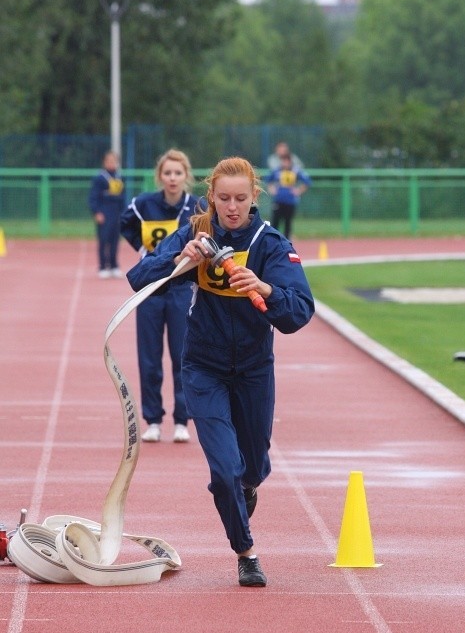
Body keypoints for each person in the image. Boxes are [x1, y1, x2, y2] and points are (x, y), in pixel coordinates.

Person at [126, 157, 315, 587]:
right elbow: (139, 277)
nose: (232, 207)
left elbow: (300, 310)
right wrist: (180, 258)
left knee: (251, 467)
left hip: (253, 370)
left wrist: (264, 287)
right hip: (203, 367)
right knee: (225, 469)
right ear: (211, 196)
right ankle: (246, 552)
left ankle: (247, 488)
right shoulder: (197, 232)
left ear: (254, 198)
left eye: (241, 199)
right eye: (224, 198)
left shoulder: (270, 243)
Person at [120, 149, 199, 444]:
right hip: (152, 289)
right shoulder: (143, 204)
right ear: (160, 176)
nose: (173, 178)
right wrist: (143, 251)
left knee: (182, 355)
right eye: (167, 173)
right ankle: (152, 419)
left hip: (181, 288)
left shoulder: (196, 207)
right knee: (149, 357)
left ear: (186, 175)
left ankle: (182, 419)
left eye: (178, 173)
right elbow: (125, 223)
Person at [88, 150, 126, 278]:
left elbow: (122, 197)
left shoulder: (119, 177)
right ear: (104, 162)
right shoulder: (100, 178)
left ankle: (114, 265)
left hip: (117, 212)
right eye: (109, 161)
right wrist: (97, 212)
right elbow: (93, 197)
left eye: (114, 161)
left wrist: (123, 213)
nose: (112, 163)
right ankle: (103, 266)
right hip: (104, 212)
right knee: (104, 240)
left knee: (115, 240)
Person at [266, 150, 312, 241]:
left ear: (290, 161)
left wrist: (298, 190)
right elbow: (268, 180)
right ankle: (273, 242)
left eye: (287, 161)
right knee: (275, 223)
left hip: (290, 201)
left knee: (288, 224)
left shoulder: (296, 171)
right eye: (283, 160)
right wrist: (272, 189)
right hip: (278, 200)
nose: (285, 163)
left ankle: (286, 243)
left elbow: (307, 182)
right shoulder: (277, 171)